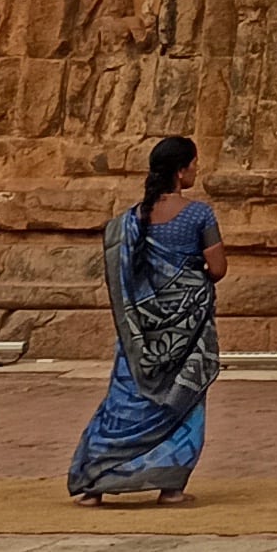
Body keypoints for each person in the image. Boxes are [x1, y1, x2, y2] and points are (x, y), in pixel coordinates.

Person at [68, 133, 223, 504]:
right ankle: (169, 485)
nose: (195, 170)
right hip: (186, 332)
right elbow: (217, 268)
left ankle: (95, 480)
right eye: (193, 163)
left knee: (124, 400)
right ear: (182, 170)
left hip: (139, 334)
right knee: (182, 397)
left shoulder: (132, 219)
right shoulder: (199, 214)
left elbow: (129, 274)